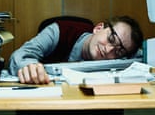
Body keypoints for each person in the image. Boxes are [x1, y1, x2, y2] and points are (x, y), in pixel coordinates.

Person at [8, 15, 144, 84]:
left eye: (119, 51)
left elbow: (140, 55)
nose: (109, 50)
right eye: (111, 39)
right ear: (98, 28)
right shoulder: (58, 31)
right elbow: (20, 56)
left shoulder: (116, 56)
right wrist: (29, 68)